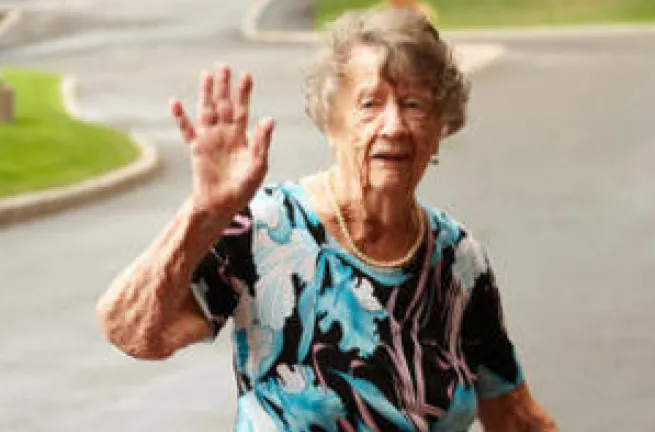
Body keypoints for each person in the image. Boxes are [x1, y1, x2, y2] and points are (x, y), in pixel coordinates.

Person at [96, 8, 559, 432]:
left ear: (440, 127)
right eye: (369, 104)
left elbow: (514, 416)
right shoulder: (268, 230)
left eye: (415, 105)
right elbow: (134, 333)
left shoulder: (458, 259)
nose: (394, 125)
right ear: (330, 122)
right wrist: (203, 214)